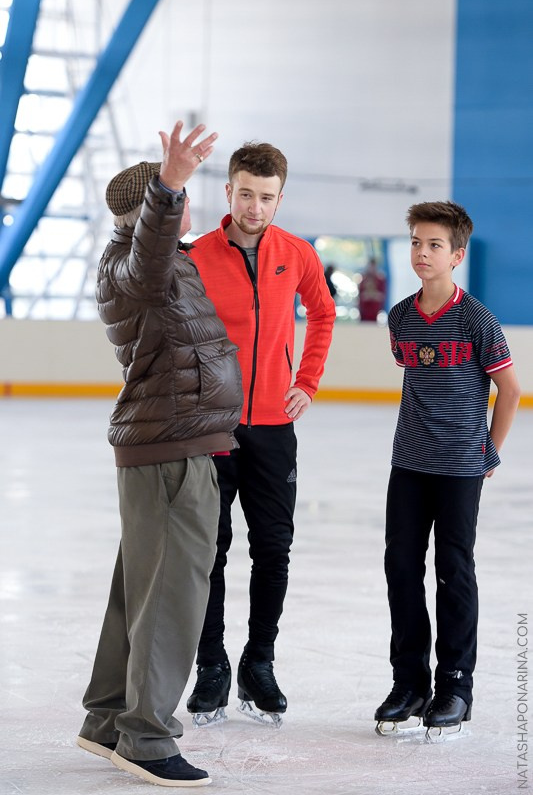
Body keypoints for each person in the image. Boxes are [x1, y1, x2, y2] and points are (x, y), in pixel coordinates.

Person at [76, 121, 243, 787]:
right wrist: (169, 189)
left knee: (141, 591)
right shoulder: (140, 261)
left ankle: (109, 718)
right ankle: (145, 738)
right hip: (171, 450)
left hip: (167, 442)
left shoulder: (144, 262)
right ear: (151, 212)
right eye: (173, 201)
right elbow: (148, 254)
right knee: (172, 594)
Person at [185, 141, 336, 727]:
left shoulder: (296, 254)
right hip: (212, 428)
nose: (255, 206)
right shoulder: (196, 256)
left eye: (266, 197)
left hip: (274, 427)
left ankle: (259, 662)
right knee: (209, 551)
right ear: (229, 192)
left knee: (273, 548)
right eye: (245, 194)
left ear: (280, 197)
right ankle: (211, 667)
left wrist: (308, 381)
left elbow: (321, 314)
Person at [374, 201, 521, 737]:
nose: (422, 252)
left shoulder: (476, 318)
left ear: (457, 255)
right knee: (401, 569)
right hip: (409, 463)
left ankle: (455, 684)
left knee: (453, 570)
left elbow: (509, 391)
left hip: (460, 466)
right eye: (416, 242)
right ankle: (408, 682)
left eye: (435, 245)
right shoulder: (401, 318)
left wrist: (490, 452)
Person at [358, 256, 386, 321]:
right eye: (370, 266)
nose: (371, 269)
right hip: (364, 314)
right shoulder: (363, 280)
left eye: (373, 266)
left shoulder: (380, 280)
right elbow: (361, 297)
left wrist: (370, 295)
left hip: (375, 313)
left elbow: (382, 296)